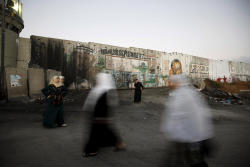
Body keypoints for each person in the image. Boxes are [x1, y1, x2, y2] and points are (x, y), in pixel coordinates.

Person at [160, 74, 214, 167]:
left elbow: (175, 115)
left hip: (185, 137)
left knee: (181, 160)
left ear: (177, 83)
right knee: (191, 160)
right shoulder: (191, 92)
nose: (169, 85)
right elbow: (202, 113)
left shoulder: (181, 95)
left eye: (171, 83)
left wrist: (167, 129)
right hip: (191, 136)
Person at [82, 73, 126, 157]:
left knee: (96, 132)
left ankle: (92, 150)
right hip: (98, 116)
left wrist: (103, 117)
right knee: (104, 131)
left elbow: (105, 105)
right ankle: (119, 143)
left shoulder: (105, 90)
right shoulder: (100, 89)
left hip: (99, 116)